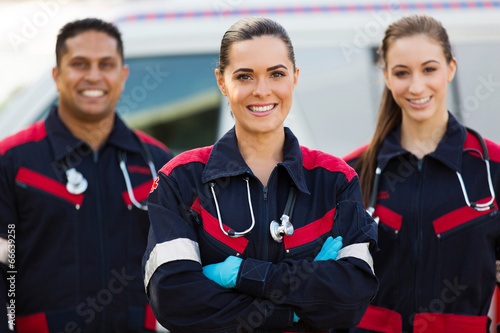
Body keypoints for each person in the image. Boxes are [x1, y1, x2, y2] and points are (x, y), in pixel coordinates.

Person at [142, 17, 378, 333]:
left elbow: (352, 296)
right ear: (222, 82)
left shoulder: (335, 179)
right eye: (245, 76)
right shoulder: (181, 179)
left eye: (276, 74)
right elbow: (175, 300)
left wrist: (243, 274)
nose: (262, 90)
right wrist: (294, 309)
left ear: (294, 78)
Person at [0, 18, 172, 332]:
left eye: (106, 64)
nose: (94, 76)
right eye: (80, 64)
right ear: (57, 75)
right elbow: (3, 268)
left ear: (122, 76)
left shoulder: (159, 163)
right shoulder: (12, 162)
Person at [343, 14, 500, 333]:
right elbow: (329, 285)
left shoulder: (492, 169)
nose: (417, 86)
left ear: (450, 68)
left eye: (429, 69)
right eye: (402, 73)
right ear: (386, 76)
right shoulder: (350, 173)